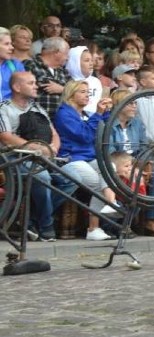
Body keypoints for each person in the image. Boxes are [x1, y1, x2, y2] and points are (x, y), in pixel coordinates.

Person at [0, 71, 66, 240]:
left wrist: (53, 148)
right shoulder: (4, 108)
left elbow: (54, 133)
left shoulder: (38, 108)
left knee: (72, 178)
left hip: (43, 157)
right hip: (14, 159)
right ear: (17, 87)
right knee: (43, 178)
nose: (36, 86)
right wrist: (36, 148)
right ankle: (46, 227)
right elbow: (6, 137)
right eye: (31, 83)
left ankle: (30, 219)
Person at [53, 80, 117, 241]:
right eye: (82, 91)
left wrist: (106, 112)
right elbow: (84, 135)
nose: (87, 95)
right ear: (71, 94)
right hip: (70, 159)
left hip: (88, 157)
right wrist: (98, 114)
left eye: (88, 92)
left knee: (111, 167)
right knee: (96, 182)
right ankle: (94, 226)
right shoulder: (64, 113)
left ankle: (110, 203)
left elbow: (102, 129)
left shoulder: (86, 114)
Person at [24, 36, 70, 120]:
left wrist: (62, 89)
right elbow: (25, 89)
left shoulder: (64, 72)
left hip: (63, 122)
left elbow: (75, 91)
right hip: (38, 120)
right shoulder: (30, 65)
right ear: (56, 52)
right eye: (66, 53)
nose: (68, 58)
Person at [64, 45, 102, 115]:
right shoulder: (66, 81)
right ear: (75, 62)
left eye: (91, 60)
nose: (91, 64)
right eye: (87, 60)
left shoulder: (96, 82)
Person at [0, 27, 25, 100]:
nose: (11, 47)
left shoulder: (16, 65)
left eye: (11, 44)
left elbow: (24, 91)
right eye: (6, 44)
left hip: (11, 109)